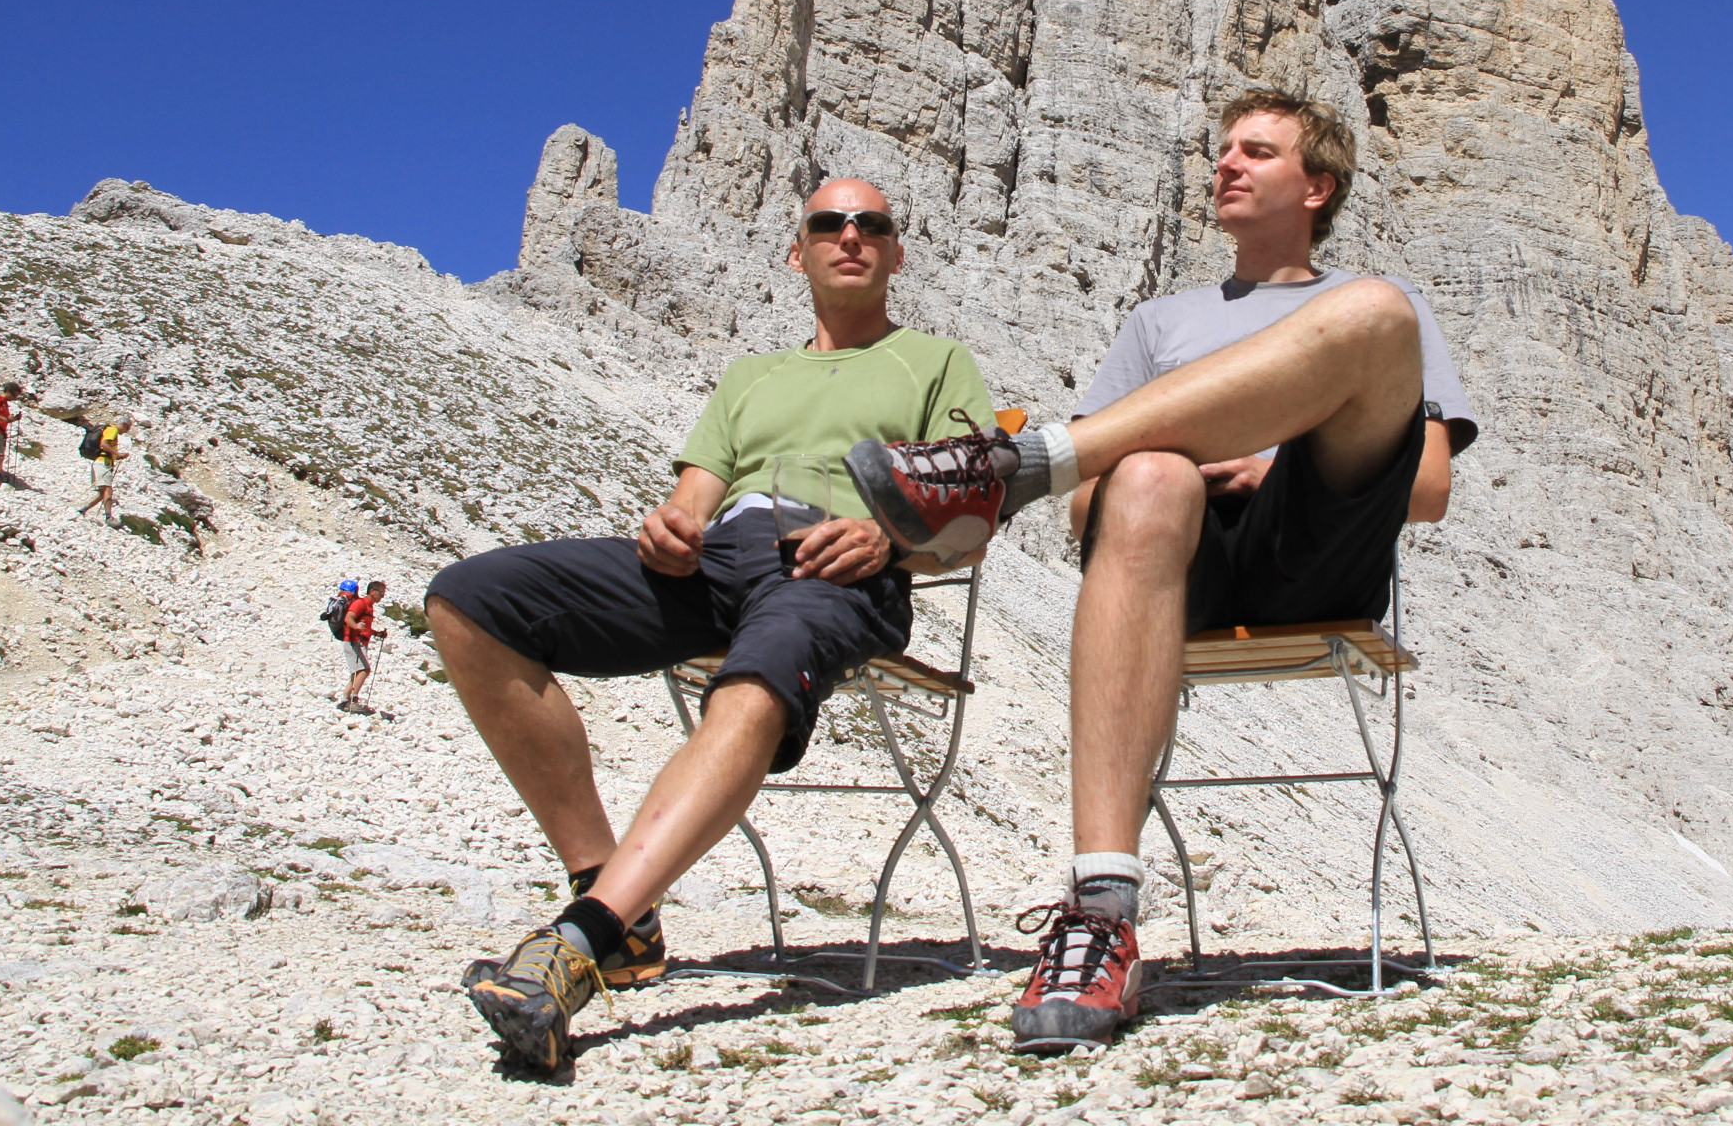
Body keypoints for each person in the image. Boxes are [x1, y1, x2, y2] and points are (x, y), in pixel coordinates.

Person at [848, 90, 1478, 1052]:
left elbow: (1424, 489)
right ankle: (1102, 908)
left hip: (1311, 540)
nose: (1225, 163)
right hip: (1176, 563)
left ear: (1318, 185)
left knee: (1375, 313)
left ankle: (1014, 462)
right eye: (1222, 149)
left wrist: (1271, 458)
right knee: (1139, 471)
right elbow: (1088, 515)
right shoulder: (1160, 320)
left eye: (1256, 152)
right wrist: (1171, 465)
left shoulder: (1374, 306)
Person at [430, 178, 998, 1073]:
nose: (850, 236)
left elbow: (970, 518)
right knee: (472, 599)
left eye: (872, 225)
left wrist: (888, 541)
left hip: (835, 565)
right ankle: (612, 894)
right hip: (714, 564)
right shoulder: (749, 376)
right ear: (796, 249)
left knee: (759, 667)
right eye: (828, 223)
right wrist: (669, 529)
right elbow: (693, 496)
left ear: (895, 252)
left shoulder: (935, 361)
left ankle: (582, 939)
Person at [339, 579, 389, 713]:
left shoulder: (369, 606)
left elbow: (365, 627)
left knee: (357, 672)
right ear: (372, 592)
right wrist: (356, 626)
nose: (382, 596)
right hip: (353, 640)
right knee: (365, 670)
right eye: (381, 593)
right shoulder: (361, 603)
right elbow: (348, 618)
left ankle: (344, 701)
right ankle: (352, 701)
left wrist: (377, 633)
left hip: (358, 641)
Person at [74, 417, 127, 524]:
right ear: (124, 425)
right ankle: (109, 518)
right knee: (108, 490)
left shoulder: (109, 429)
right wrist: (118, 454)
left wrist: (117, 457)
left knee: (102, 493)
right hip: (103, 463)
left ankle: (82, 510)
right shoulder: (113, 430)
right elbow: (104, 444)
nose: (126, 431)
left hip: (100, 462)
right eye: (127, 428)